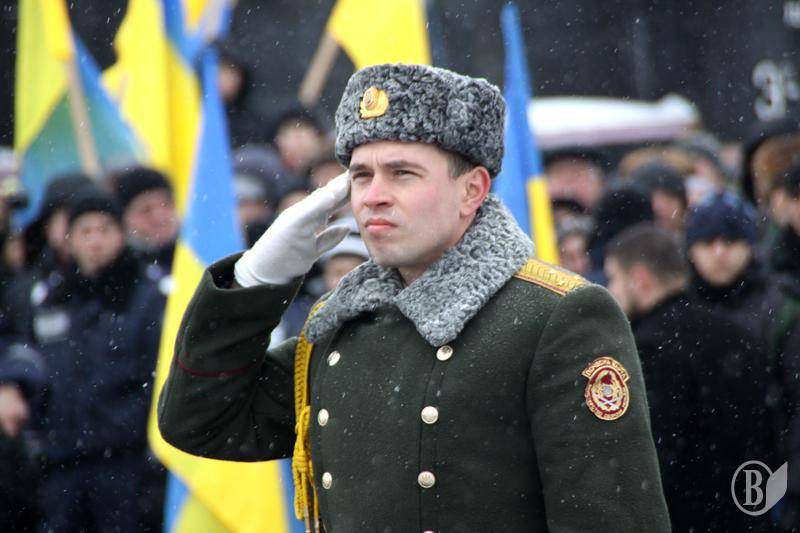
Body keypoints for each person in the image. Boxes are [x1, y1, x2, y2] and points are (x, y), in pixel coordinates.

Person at [158, 64, 670, 532]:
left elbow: (611, 520)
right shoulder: (341, 327)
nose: (373, 195)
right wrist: (254, 280)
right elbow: (200, 422)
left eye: (402, 173)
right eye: (361, 175)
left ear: (472, 190)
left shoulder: (556, 317)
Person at [605, 223, 773, 532]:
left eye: (613, 278)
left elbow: (656, 451)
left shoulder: (650, 346)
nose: (610, 291)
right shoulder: (736, 334)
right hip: (748, 509)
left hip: (688, 516)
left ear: (640, 279)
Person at [32, 188, 166, 531]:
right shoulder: (50, 300)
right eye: (85, 231)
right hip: (62, 464)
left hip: (125, 464)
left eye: (104, 229)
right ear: (70, 240)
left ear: (121, 235)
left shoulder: (146, 298)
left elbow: (155, 378)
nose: (95, 241)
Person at [112, 167, 179, 286]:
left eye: (166, 205)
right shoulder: (117, 276)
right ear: (125, 219)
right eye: (146, 210)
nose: (159, 217)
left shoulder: (199, 256)